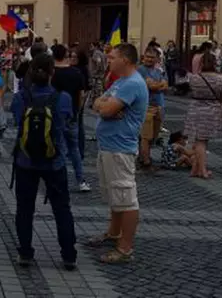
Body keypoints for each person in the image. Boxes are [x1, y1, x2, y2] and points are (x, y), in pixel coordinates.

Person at [10, 54, 78, 270]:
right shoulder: (63, 98)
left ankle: (25, 252)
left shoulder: (20, 97)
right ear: (52, 73)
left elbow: (17, 121)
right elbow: (67, 122)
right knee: (62, 208)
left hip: (25, 160)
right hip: (54, 161)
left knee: (24, 208)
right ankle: (68, 255)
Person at [89, 43, 148, 264]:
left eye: (113, 57)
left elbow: (105, 109)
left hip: (120, 148)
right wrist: (107, 107)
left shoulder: (132, 83)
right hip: (109, 146)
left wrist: (107, 107)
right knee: (115, 195)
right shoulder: (120, 82)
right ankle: (114, 233)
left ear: (125, 60)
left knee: (126, 198)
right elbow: (96, 103)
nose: (108, 60)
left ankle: (125, 248)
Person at [50, 45, 90, 191]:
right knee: (74, 149)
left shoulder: (51, 73)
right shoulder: (76, 73)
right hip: (72, 114)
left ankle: (58, 180)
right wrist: (77, 111)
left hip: (55, 115)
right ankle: (81, 181)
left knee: (57, 147)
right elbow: (81, 95)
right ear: (66, 55)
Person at [184, 52, 222, 179]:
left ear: (201, 63)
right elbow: (221, 94)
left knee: (198, 140)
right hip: (212, 111)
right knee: (202, 141)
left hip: (195, 110)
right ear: (215, 63)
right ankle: (202, 170)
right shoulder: (220, 79)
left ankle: (196, 169)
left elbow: (190, 90)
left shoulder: (194, 78)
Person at [137, 47, 168, 171]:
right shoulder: (140, 70)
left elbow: (166, 86)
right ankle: (145, 162)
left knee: (154, 136)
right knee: (146, 136)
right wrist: (158, 85)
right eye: (147, 56)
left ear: (157, 58)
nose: (149, 59)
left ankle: (144, 157)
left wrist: (157, 85)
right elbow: (151, 86)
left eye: (152, 57)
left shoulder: (159, 70)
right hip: (147, 106)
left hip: (159, 105)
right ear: (143, 57)